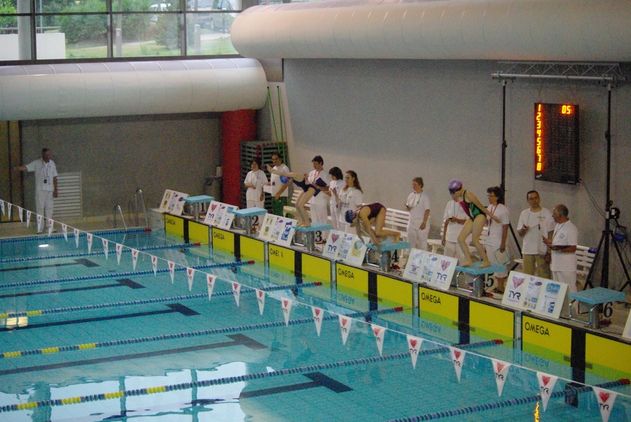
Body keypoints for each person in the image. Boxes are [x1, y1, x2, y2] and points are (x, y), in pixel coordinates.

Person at [448, 179, 499, 267]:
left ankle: (486, 261)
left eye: (453, 193)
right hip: (472, 217)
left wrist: (493, 216)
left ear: (457, 191)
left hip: (480, 215)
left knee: (475, 240)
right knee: (460, 239)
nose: (453, 195)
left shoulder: (468, 194)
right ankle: (469, 260)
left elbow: (481, 207)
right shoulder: (460, 196)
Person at [543, 204, 578, 316]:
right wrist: (550, 243)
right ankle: (561, 312)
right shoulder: (558, 225)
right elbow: (557, 242)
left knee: (570, 290)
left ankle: (573, 313)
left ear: (560, 215)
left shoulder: (571, 228)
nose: (552, 216)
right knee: (558, 290)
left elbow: (573, 248)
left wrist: (558, 249)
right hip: (556, 264)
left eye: (554, 214)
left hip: (566, 266)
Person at [14, 147, 58, 233]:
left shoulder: (52, 163)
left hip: (50, 190)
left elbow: (55, 177)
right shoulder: (36, 163)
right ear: (43, 155)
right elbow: (26, 167)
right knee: (40, 209)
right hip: (40, 190)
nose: (48, 156)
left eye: (49, 155)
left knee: (49, 209)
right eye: (46, 155)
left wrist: (56, 190)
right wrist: (17, 168)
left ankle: (50, 227)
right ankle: (40, 228)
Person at [517, 190, 554, 278]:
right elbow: (520, 233)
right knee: (527, 276)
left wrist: (549, 251)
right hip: (527, 249)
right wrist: (523, 229)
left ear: (539, 199)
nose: (534, 200)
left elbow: (550, 233)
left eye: (536, 198)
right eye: (531, 199)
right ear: (528, 201)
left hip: (542, 250)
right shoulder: (524, 213)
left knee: (544, 276)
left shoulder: (547, 213)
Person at [484, 186, 510, 294]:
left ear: (497, 197)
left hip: (498, 241)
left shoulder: (503, 209)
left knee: (501, 264)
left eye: (491, 196)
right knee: (493, 263)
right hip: (489, 240)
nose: (489, 198)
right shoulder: (490, 207)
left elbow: (505, 227)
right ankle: (496, 285)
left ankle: (501, 286)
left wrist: (503, 243)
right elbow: (488, 223)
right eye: (488, 195)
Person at [441, 191, 468, 262]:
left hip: (461, 239)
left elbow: (468, 222)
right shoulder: (449, 203)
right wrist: (444, 237)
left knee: (462, 261)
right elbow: (446, 221)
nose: (452, 195)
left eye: (454, 193)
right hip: (449, 237)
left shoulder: (466, 204)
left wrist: (457, 220)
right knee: (446, 261)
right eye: (451, 193)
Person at [405, 177, 430, 250]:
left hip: (421, 223)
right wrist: (408, 207)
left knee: (422, 245)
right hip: (411, 222)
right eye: (412, 184)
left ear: (420, 185)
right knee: (410, 243)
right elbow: (408, 206)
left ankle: (422, 257)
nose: (413, 186)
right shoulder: (411, 195)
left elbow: (427, 210)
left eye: (415, 185)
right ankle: (410, 256)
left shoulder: (425, 197)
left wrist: (424, 222)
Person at [306, 155, 330, 227]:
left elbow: (328, 188)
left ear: (321, 163)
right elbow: (308, 184)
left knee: (322, 220)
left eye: (316, 164)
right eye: (313, 164)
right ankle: (316, 233)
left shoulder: (325, 174)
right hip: (312, 199)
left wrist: (319, 187)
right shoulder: (311, 173)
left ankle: (323, 234)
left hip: (321, 200)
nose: (314, 166)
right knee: (314, 220)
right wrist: (306, 179)